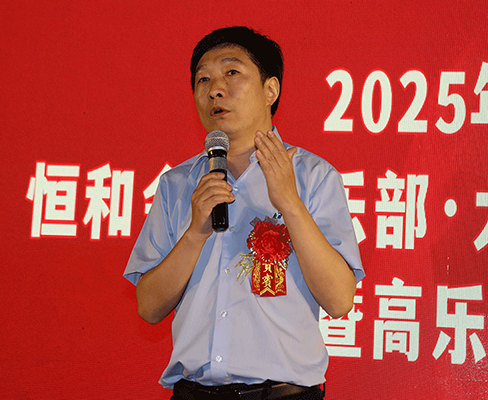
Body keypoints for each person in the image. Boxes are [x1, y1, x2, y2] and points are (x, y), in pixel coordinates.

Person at [124, 26, 364, 400]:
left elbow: (339, 300)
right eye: (203, 79)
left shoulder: (313, 176)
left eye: (231, 72)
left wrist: (290, 204)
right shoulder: (177, 184)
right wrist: (195, 233)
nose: (215, 90)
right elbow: (149, 307)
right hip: (194, 393)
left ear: (271, 90)